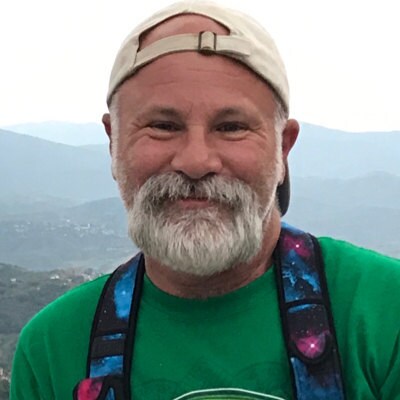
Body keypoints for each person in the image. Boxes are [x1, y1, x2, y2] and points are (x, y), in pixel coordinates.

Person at [10, 1, 400, 399]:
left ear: (283, 149)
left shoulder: (385, 314)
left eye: (231, 127)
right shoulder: (53, 349)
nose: (196, 162)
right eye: (163, 126)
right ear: (113, 144)